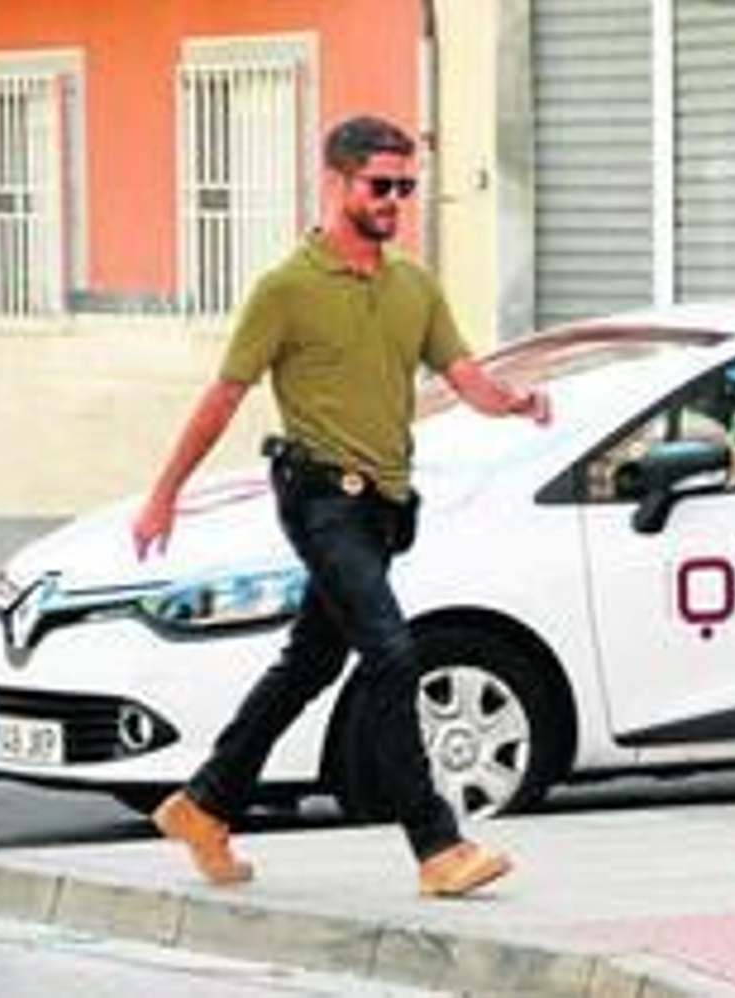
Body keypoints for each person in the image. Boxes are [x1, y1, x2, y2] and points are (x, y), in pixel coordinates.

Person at [131, 114, 551, 898]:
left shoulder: (413, 286)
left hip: (386, 508)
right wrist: (164, 496)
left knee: (311, 662)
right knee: (391, 652)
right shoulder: (285, 289)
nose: (395, 200)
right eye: (380, 186)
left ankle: (203, 803)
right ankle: (438, 847)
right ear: (337, 182)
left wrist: (516, 401)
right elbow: (223, 398)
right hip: (322, 496)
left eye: (406, 186)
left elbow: (465, 378)